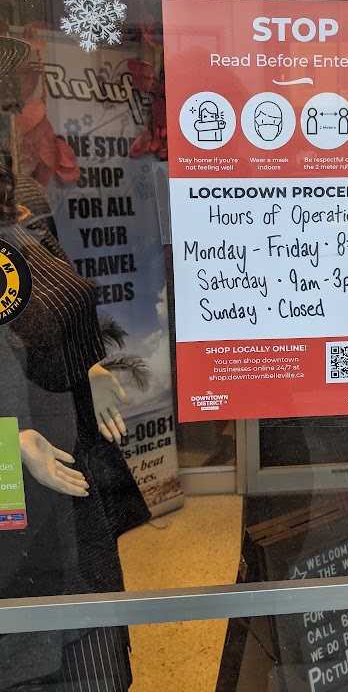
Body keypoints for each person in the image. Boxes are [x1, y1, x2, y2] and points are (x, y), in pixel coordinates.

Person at [0, 37, 150, 691]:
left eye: (11, 109)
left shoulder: (24, 203)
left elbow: (61, 301)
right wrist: (7, 442)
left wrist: (89, 366)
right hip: (15, 474)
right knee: (27, 645)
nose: (13, 126)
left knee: (94, 651)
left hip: (67, 446)